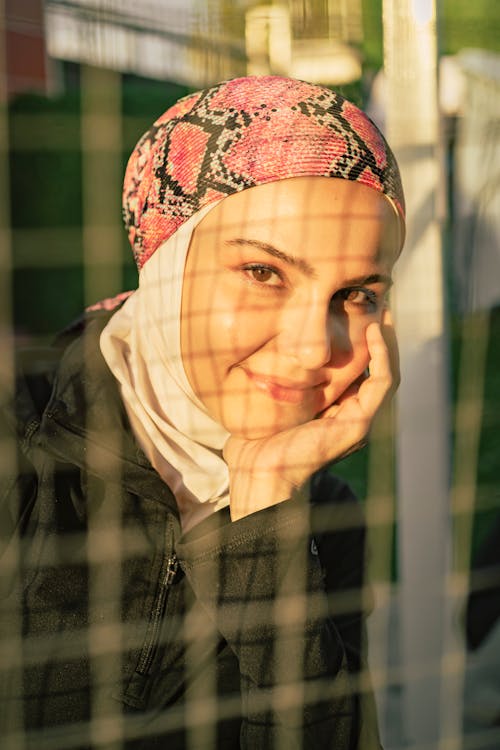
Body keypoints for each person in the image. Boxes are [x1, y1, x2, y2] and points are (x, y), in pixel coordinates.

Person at [0, 75, 405, 749]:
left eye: (355, 293)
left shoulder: (321, 510)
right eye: (263, 273)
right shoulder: (21, 441)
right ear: (165, 265)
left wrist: (267, 513)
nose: (312, 350)